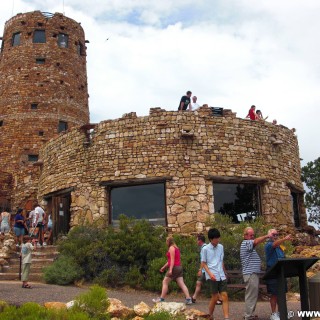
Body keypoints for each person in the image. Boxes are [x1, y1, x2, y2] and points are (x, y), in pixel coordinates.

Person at [240, 227, 270, 320]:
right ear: (245, 235)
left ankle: (250, 314)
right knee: (251, 295)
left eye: (253, 235)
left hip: (252, 273)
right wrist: (266, 236)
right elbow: (256, 241)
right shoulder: (246, 243)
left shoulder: (248, 244)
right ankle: (248, 316)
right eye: (251, 235)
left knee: (252, 295)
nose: (252, 237)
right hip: (250, 274)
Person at [152, 236, 193, 305]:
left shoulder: (171, 248)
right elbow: (170, 260)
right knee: (181, 283)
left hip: (174, 267)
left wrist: (170, 269)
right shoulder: (176, 248)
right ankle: (188, 299)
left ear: (168, 242)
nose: (166, 243)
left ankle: (161, 299)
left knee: (165, 282)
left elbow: (172, 260)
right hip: (179, 267)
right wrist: (164, 267)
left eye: (166, 241)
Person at [202, 228, 229, 320]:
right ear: (211, 239)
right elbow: (204, 263)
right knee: (215, 297)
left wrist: (225, 272)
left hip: (221, 275)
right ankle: (210, 315)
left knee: (224, 296)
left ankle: (226, 318)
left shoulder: (221, 247)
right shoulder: (205, 249)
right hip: (212, 275)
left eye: (218, 238)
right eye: (216, 238)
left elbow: (221, 261)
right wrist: (210, 274)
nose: (218, 240)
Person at [265, 229, 292, 320]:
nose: (276, 236)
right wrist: (285, 239)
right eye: (273, 234)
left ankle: (282, 312)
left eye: (277, 234)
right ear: (269, 235)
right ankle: (273, 314)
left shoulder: (280, 246)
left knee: (281, 293)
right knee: (274, 294)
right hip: (273, 271)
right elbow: (274, 244)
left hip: (281, 272)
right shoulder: (269, 245)